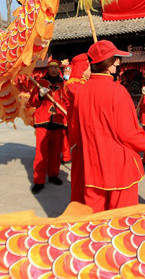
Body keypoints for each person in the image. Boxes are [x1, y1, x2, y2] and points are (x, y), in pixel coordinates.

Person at [68, 40, 145, 213]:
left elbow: (75, 130)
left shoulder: (80, 91)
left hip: (92, 167)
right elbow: (129, 133)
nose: (119, 63)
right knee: (121, 221)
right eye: (116, 59)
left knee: (95, 221)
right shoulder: (117, 91)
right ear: (108, 65)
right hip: (120, 168)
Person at [28, 59, 67, 194]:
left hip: (59, 121)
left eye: (56, 67)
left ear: (59, 69)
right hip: (43, 122)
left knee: (56, 153)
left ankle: (53, 175)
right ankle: (38, 181)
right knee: (41, 153)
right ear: (47, 69)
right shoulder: (40, 84)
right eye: (51, 67)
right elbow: (32, 103)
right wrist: (39, 95)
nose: (53, 69)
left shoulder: (64, 85)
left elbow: (68, 102)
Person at [62, 53, 91, 204]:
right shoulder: (73, 84)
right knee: (80, 173)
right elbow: (86, 97)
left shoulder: (86, 82)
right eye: (89, 65)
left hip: (89, 132)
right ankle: (79, 204)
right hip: (80, 133)